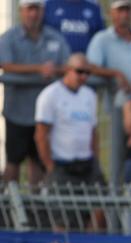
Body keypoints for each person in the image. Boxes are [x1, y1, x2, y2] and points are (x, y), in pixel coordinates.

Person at [0, 0, 71, 186]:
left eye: (37, 9)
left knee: (38, 162)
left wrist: (53, 70)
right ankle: (8, 209)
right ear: (22, 11)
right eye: (30, 9)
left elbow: (67, 65)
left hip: (46, 115)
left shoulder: (54, 37)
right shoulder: (9, 37)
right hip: (18, 113)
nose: (34, 14)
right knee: (13, 161)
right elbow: (5, 64)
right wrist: (38, 70)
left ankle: (35, 210)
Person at [35, 53, 105, 188]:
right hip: (62, 164)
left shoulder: (89, 95)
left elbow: (93, 132)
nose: (84, 76)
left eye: (87, 72)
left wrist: (96, 160)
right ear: (68, 69)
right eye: (79, 71)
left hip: (87, 162)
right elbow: (41, 135)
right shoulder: (50, 94)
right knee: (63, 208)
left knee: (100, 204)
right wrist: (50, 166)